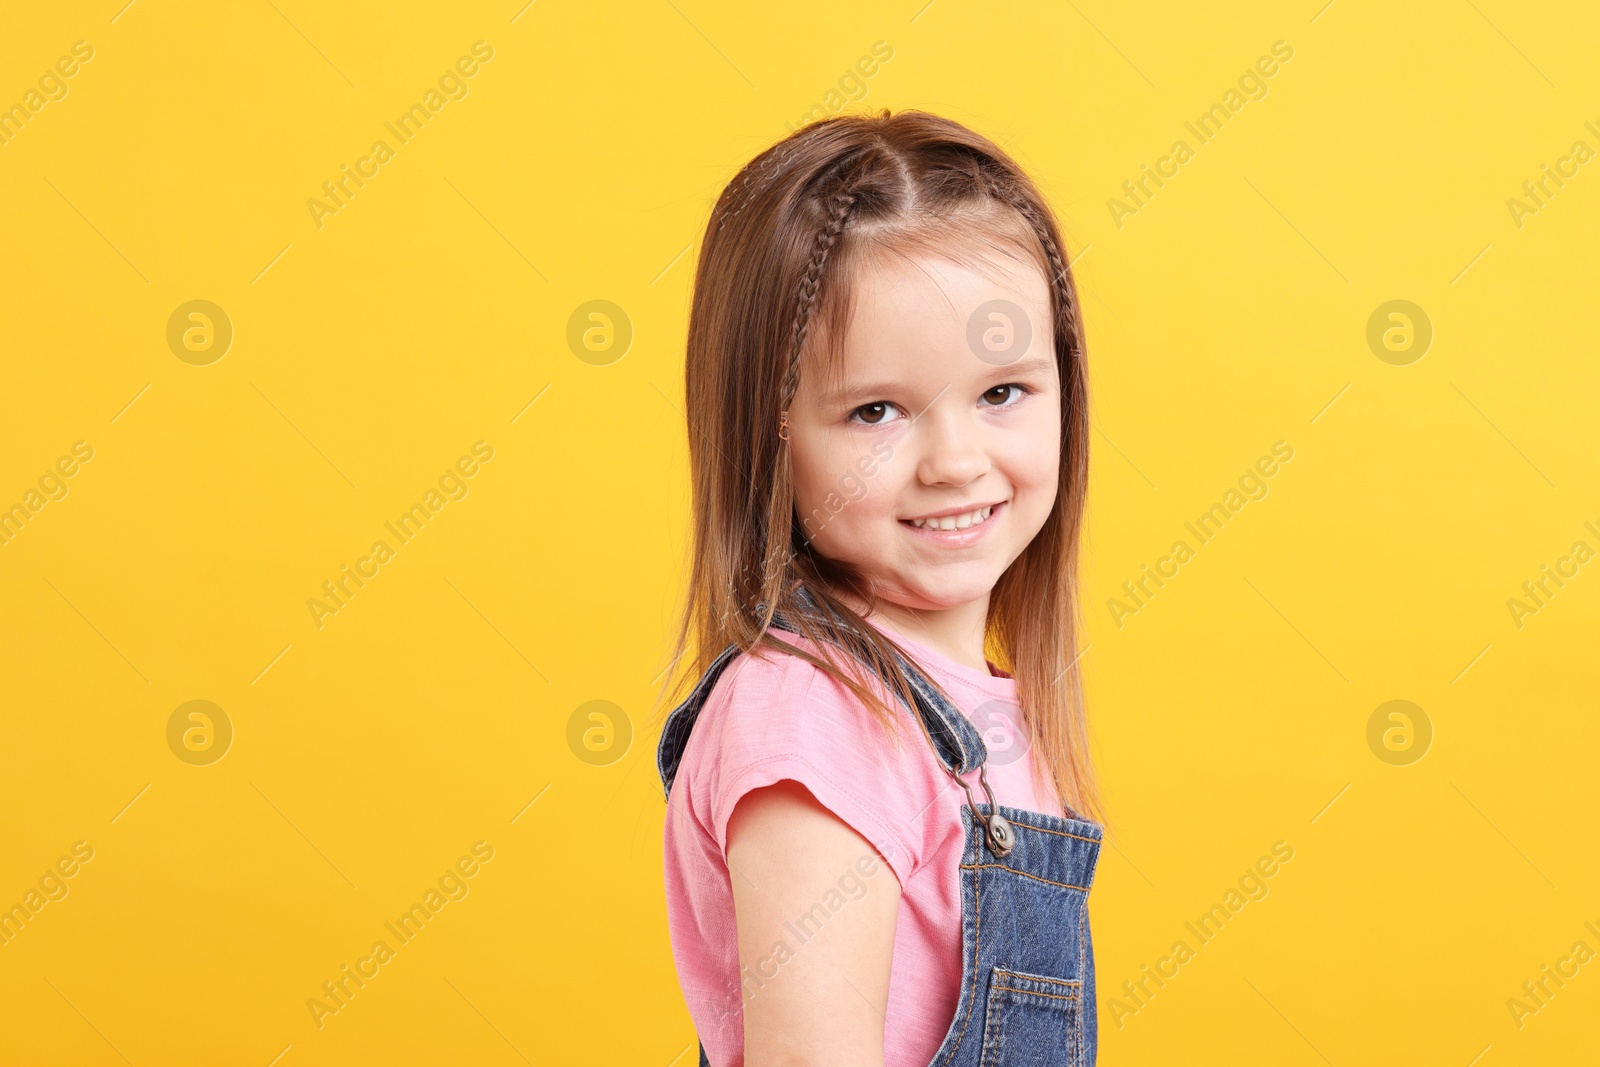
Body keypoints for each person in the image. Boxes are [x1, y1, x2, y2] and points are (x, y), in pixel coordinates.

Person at [654, 108, 1105, 1067]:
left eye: (1001, 392)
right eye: (875, 411)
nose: (953, 461)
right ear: (769, 435)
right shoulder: (813, 719)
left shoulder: (969, 709)